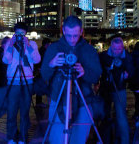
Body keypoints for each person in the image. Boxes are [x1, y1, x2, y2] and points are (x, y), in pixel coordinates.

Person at [40, 15, 102, 144]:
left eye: (75, 35)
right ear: (63, 31)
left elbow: (96, 76)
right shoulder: (54, 48)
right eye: (69, 36)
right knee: (58, 139)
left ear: (81, 31)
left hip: (83, 101)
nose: (72, 40)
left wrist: (84, 72)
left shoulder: (89, 50)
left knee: (78, 140)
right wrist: (52, 64)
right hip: (59, 100)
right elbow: (44, 75)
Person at [2, 22, 41, 144]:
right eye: (17, 33)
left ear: (25, 34)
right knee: (11, 111)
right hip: (13, 82)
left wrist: (28, 46)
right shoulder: (10, 44)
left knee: (25, 112)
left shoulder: (32, 44)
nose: (19, 36)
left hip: (27, 81)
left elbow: (37, 59)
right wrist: (10, 45)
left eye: (22, 34)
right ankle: (11, 138)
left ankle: (23, 138)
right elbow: (5, 60)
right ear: (14, 34)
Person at [99, 36, 134, 144]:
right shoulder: (103, 55)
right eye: (115, 49)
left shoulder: (127, 56)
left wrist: (127, 74)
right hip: (105, 89)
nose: (117, 51)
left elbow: (132, 69)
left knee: (121, 115)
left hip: (120, 89)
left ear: (123, 47)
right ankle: (104, 139)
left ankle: (124, 140)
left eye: (119, 49)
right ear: (111, 47)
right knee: (104, 115)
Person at [34, 38, 51, 106]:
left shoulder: (41, 50)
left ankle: (39, 102)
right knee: (40, 86)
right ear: (46, 44)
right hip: (41, 71)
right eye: (49, 44)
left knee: (40, 86)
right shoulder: (43, 51)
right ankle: (39, 102)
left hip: (40, 71)